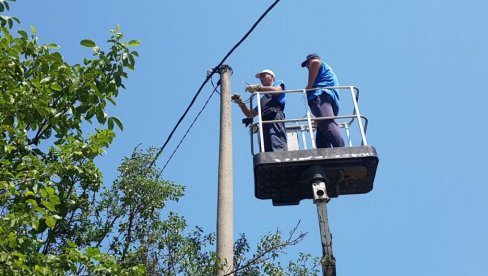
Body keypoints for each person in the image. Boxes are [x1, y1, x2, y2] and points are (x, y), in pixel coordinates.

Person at [231, 69, 287, 152]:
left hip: (275, 118)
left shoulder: (278, 83)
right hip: (264, 122)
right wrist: (241, 103)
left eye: (263, 76)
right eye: (260, 78)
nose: (261, 79)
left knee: (277, 143)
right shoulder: (263, 99)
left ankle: (281, 159)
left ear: (272, 78)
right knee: (267, 147)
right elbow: (250, 114)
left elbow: (277, 91)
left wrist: (259, 88)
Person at [301, 53, 345, 148]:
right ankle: (325, 158)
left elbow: (315, 62)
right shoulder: (326, 72)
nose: (308, 67)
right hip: (328, 100)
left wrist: (309, 86)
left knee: (327, 124)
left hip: (321, 96)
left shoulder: (319, 64)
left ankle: (341, 148)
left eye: (307, 64)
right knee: (321, 139)